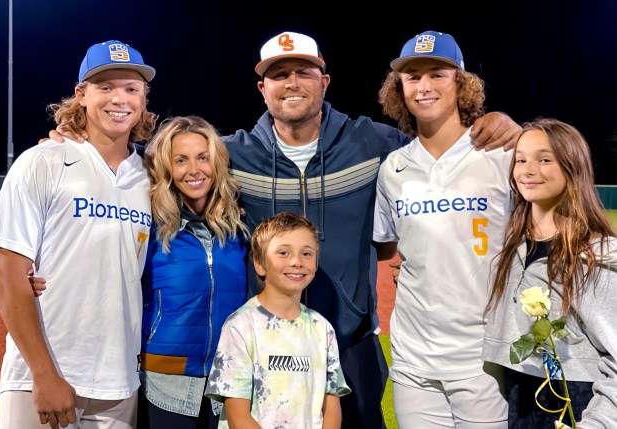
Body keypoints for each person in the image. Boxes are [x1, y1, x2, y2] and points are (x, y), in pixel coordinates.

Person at [45, 30, 521, 428]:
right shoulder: (233, 154)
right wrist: (80, 137)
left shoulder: (376, 144)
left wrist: (499, 124)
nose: (291, 82)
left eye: (303, 72)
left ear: (324, 80)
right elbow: (168, 160)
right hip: (263, 343)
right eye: (277, 74)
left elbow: (438, 142)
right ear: (263, 89)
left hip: (350, 341)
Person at [0, 40, 157, 429]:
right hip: (42, 376)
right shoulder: (42, 161)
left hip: (120, 382)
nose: (119, 98)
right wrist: (43, 374)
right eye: (105, 87)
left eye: (131, 89)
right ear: (81, 95)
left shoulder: (153, 176)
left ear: (143, 100)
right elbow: (8, 274)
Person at [373, 30, 512, 428]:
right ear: (399, 87)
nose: (424, 86)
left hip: (483, 356)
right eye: (412, 77)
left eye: (438, 74)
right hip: (413, 358)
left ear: (462, 84)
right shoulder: (394, 168)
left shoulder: (502, 153)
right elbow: (389, 248)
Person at [483, 118, 617, 428]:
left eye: (544, 159)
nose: (527, 170)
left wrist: (597, 423)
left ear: (572, 168)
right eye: (520, 159)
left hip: (578, 399)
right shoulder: (511, 248)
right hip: (519, 397)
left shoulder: (596, 256)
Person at [137, 115, 249, 429]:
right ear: (167, 168)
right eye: (181, 160)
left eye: (203, 158)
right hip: (164, 380)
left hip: (228, 379)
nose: (194, 170)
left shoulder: (239, 226)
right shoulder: (149, 225)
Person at [204, 211, 351, 429]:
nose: (297, 261)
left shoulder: (322, 328)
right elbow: (237, 415)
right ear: (259, 264)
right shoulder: (241, 326)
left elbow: (331, 403)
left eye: (307, 254)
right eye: (283, 252)